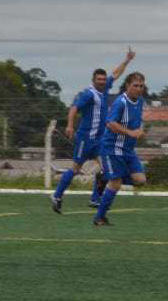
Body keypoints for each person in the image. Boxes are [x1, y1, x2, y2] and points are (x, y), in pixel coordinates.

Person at [51, 48, 135, 213]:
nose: (103, 82)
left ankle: (95, 198)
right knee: (75, 169)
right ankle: (57, 195)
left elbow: (116, 74)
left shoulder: (105, 89)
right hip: (85, 139)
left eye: (104, 79)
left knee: (106, 169)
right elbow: (74, 108)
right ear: (93, 80)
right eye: (99, 79)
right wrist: (69, 125)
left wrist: (127, 61)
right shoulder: (88, 94)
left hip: (99, 141)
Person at [93, 72, 149, 227]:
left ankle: (105, 177)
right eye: (135, 86)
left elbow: (137, 121)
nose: (138, 89)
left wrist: (140, 130)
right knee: (116, 184)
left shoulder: (140, 101)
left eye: (141, 86)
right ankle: (99, 218)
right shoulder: (120, 102)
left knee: (140, 180)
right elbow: (110, 123)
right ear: (127, 86)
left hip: (128, 150)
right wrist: (131, 132)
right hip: (112, 148)